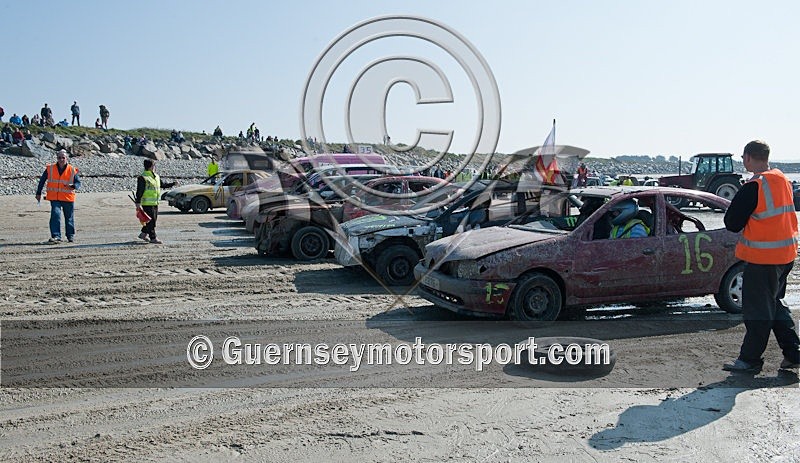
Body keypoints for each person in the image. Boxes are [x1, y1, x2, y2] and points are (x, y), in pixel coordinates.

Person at [722, 140, 799, 372]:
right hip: (785, 255)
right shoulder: (782, 180)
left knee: (758, 311)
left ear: (747, 157)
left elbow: (732, 223)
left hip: (762, 258)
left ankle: (750, 359)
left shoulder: (754, 186)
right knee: (773, 304)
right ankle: (794, 352)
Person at [35, 150, 81, 243]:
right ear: (57, 158)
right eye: (59, 158)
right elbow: (42, 180)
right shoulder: (50, 168)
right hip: (55, 198)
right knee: (55, 215)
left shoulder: (72, 169)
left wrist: (73, 186)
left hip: (68, 197)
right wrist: (38, 193)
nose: (61, 159)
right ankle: (56, 236)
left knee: (69, 217)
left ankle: (70, 236)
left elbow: (78, 183)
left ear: (66, 158)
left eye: (63, 157)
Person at [134, 159, 176, 244]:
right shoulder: (143, 177)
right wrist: (138, 203)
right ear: (151, 167)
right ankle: (153, 237)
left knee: (152, 220)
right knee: (151, 221)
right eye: (154, 165)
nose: (155, 167)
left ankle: (143, 233)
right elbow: (139, 191)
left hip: (155, 202)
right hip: (147, 203)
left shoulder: (156, 176)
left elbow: (162, 185)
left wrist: (172, 184)